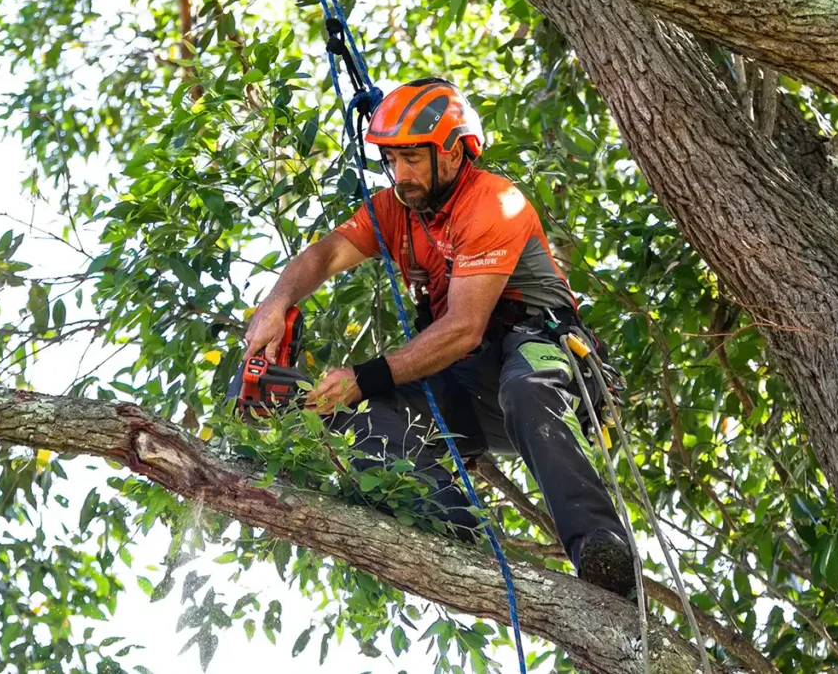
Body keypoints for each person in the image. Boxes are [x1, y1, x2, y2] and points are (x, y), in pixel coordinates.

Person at [243, 77, 635, 597]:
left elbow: (463, 329)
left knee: (524, 387)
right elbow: (327, 253)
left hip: (537, 353)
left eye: (411, 159)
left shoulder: (493, 202)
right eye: (390, 161)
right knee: (354, 413)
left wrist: (363, 375)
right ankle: (455, 537)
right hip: (470, 384)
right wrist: (276, 303)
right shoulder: (395, 210)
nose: (398, 175)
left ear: (451, 153)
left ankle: (600, 547)